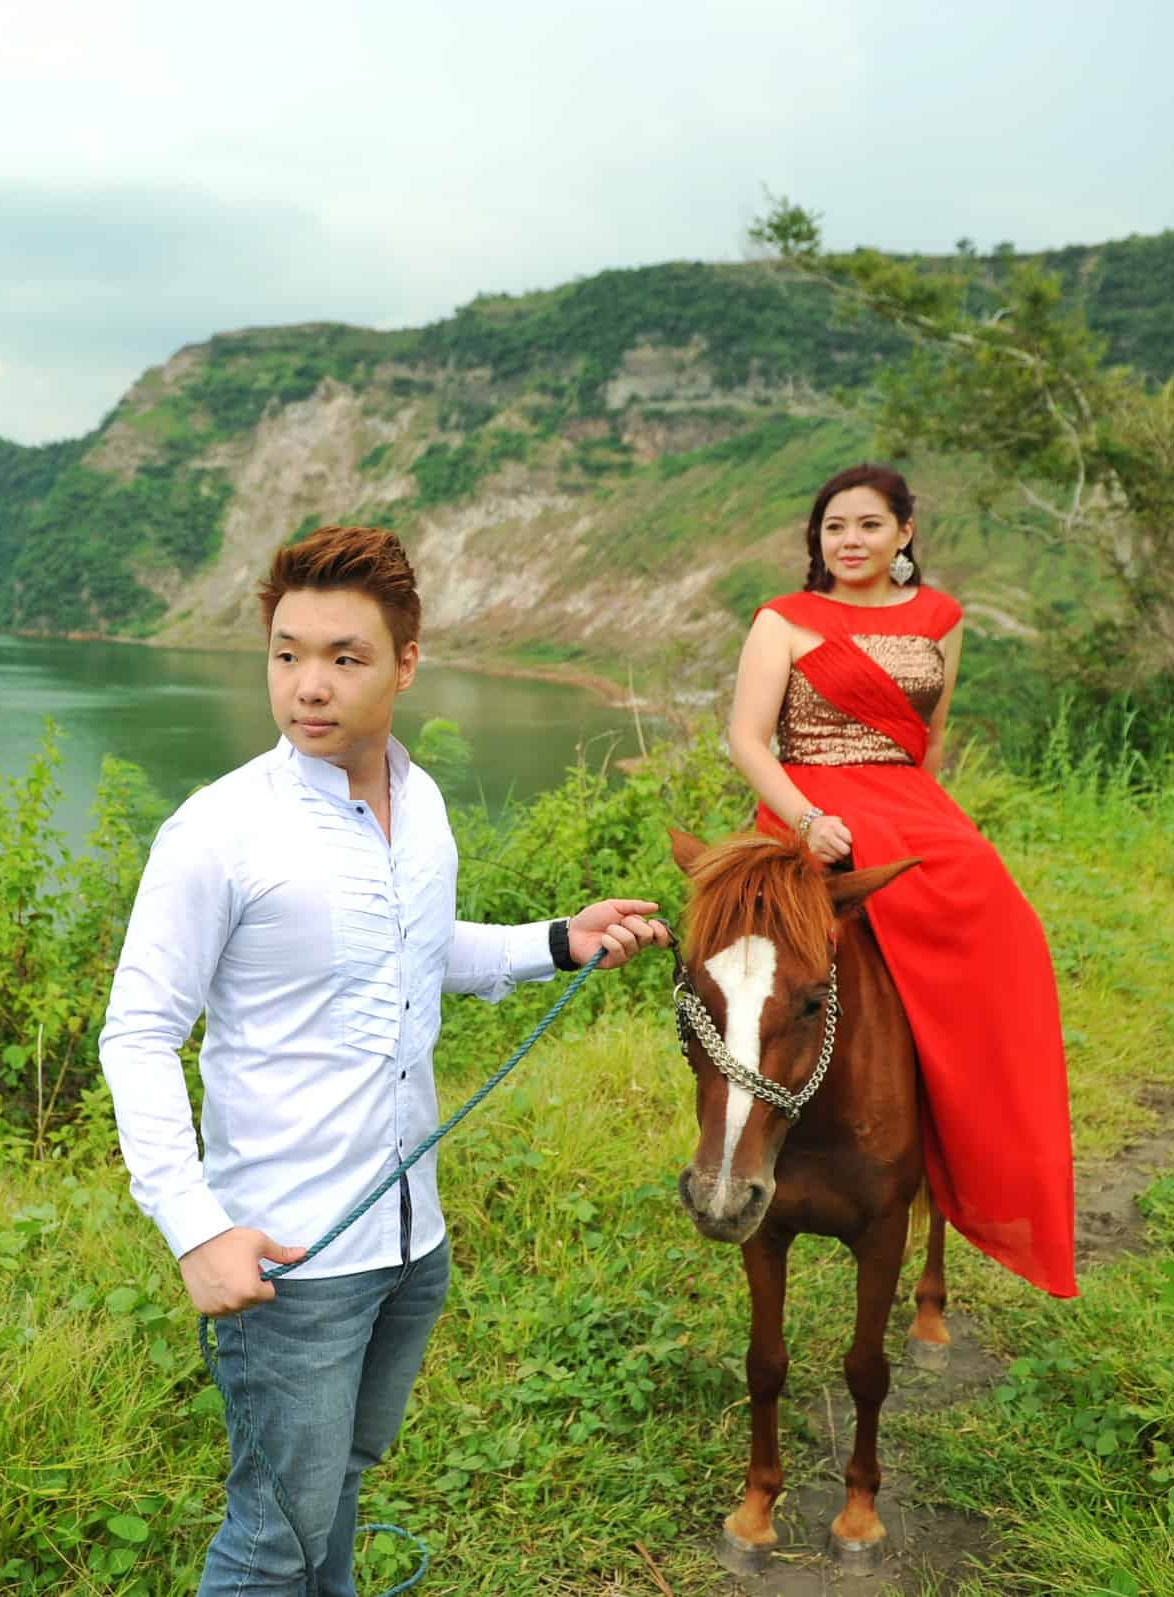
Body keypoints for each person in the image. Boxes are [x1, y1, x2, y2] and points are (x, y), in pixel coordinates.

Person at [98, 524, 673, 1595]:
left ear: (407, 662)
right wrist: (195, 1227)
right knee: (274, 1534)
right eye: (286, 653)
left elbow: (422, 951)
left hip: (413, 1240)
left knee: (339, 1489)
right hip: (291, 1255)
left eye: (343, 657)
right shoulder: (218, 831)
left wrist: (559, 941)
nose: (308, 687)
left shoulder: (423, 807)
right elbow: (137, 1033)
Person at [725, 464, 1077, 1299]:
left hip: (911, 805)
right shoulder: (783, 619)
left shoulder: (941, 618)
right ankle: (736, 1125)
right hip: (806, 806)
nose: (850, 541)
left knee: (1010, 925)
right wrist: (808, 820)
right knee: (748, 964)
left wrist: (925, 815)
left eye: (869, 525)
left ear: (904, 533)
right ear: (817, 539)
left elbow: (930, 740)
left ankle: (965, 1131)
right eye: (834, 526)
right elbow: (746, 741)